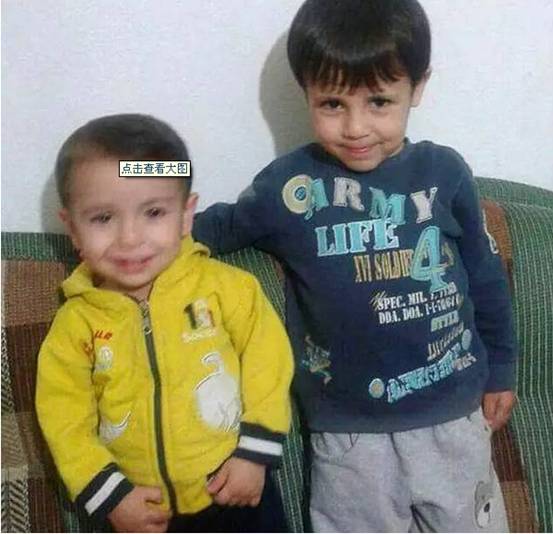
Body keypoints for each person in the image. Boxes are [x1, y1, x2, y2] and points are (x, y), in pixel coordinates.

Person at [192, 0, 517, 531]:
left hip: (453, 415)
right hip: (348, 434)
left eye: (379, 101)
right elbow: (206, 224)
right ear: (305, 93)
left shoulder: (445, 172)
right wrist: (137, 173)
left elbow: (486, 278)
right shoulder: (288, 186)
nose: (356, 127)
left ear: (418, 87)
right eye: (332, 104)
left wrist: (502, 368)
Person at [35, 113, 294, 533]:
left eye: (154, 212)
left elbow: (270, 365)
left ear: (186, 215)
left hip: (235, 488)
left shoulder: (229, 289)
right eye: (103, 218)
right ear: (73, 229)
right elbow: (63, 418)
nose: (130, 238)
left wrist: (255, 453)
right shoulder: (75, 324)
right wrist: (109, 495)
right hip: (139, 510)